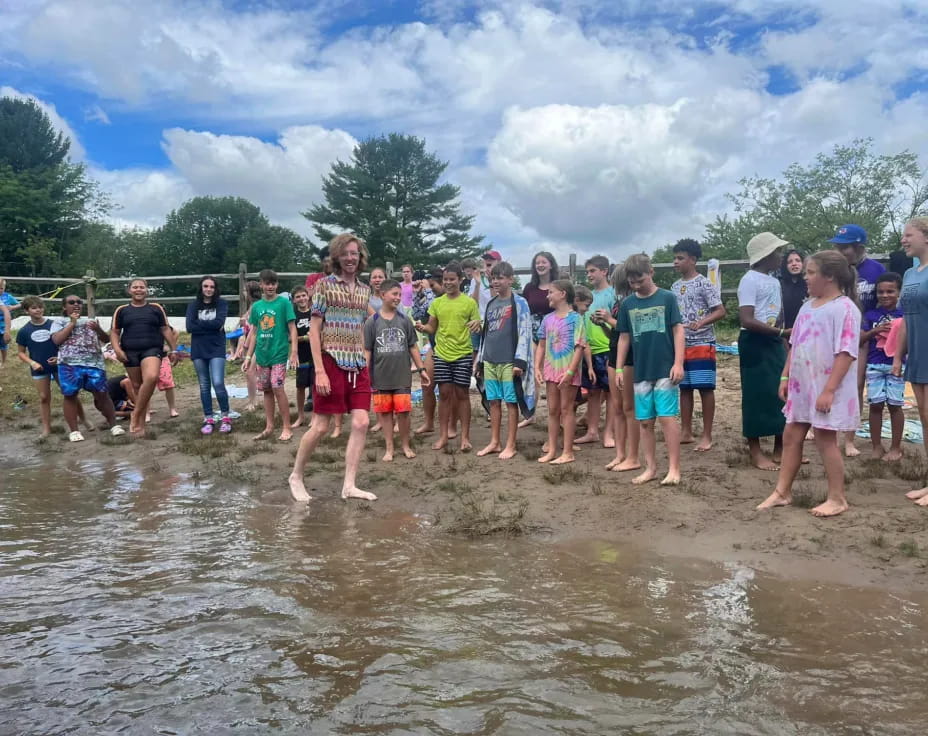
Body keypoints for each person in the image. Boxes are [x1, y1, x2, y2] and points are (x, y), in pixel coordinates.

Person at [757, 251, 861, 517]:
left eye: (811, 272)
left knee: (826, 439)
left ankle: (837, 498)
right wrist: (785, 376)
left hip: (827, 388)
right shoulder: (806, 307)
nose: (805, 277)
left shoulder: (845, 309)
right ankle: (782, 492)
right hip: (803, 385)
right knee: (791, 435)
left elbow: (846, 353)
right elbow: (795, 345)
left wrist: (829, 390)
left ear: (829, 276)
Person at [289, 233, 377, 503]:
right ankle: (296, 476)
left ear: (360, 257)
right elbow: (314, 331)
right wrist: (319, 371)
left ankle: (349, 485)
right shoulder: (324, 287)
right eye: (346, 253)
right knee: (320, 426)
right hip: (329, 361)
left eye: (355, 253)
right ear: (336, 257)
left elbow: (365, 323)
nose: (351, 258)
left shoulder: (364, 290)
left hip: (357, 364)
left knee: (361, 421)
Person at [615, 254, 684, 485]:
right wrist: (618, 369)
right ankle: (650, 468)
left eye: (640, 279)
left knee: (666, 417)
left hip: (665, 368)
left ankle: (674, 469)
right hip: (640, 370)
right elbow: (623, 338)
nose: (636, 285)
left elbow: (678, 331)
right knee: (644, 421)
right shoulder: (627, 304)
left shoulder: (667, 298)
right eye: (632, 282)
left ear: (651, 272)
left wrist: (678, 362)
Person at [415, 262, 481, 452]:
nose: (449, 282)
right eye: (446, 280)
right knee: (444, 394)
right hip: (442, 354)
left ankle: (465, 437)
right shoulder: (437, 303)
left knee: (462, 394)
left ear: (460, 280)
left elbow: (477, 324)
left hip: (462, 354)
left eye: (452, 279)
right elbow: (432, 327)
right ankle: (443, 435)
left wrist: (478, 323)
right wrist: (422, 327)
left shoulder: (469, 303)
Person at [738, 233, 790, 470]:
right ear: (766, 255)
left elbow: (778, 314)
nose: (781, 256)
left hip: (773, 340)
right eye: (777, 252)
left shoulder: (775, 281)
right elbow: (747, 319)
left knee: (781, 389)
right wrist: (779, 333)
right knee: (756, 393)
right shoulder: (749, 280)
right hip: (755, 342)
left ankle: (781, 447)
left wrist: (782, 336)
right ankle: (756, 450)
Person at [831, 224, 884, 458]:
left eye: (846, 248)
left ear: (859, 247)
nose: (841, 252)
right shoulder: (833, 270)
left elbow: (885, 301)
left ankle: (849, 438)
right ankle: (828, 432)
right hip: (834, 332)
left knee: (855, 384)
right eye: (838, 247)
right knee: (829, 381)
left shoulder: (876, 270)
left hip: (862, 336)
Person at [475, 261, 536, 459]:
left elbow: (525, 331)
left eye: (500, 278)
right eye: (493, 278)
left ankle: (511, 444)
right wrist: (480, 360)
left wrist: (520, 361)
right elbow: (486, 333)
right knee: (493, 401)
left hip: (509, 361)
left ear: (510, 280)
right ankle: (494, 441)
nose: (496, 282)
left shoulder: (520, 303)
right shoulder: (492, 304)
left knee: (511, 402)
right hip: (490, 360)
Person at [363, 278, 428, 461]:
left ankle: (406, 445)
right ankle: (389, 448)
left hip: (402, 377)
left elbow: (413, 346)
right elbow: (367, 349)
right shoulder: (371, 322)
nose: (398, 298)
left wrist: (421, 369)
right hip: (380, 377)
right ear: (383, 295)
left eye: (399, 294)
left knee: (403, 413)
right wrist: (364, 373)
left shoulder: (405, 320)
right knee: (384, 413)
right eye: (394, 294)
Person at [671, 238, 726, 452]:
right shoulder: (674, 287)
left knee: (704, 388)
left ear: (692, 260)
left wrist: (701, 323)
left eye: (680, 258)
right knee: (684, 388)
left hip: (703, 342)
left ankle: (707, 434)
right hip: (681, 344)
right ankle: (686, 431)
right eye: (675, 258)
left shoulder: (704, 283)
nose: (676, 262)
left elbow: (720, 310)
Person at [51, 295, 125, 441]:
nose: (76, 304)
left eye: (79, 302)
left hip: (94, 364)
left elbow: (106, 340)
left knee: (102, 393)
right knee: (70, 395)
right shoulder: (58, 322)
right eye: (71, 302)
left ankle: (114, 425)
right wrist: (72, 323)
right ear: (64, 307)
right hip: (69, 365)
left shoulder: (91, 321)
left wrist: (98, 329)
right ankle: (74, 431)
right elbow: (56, 340)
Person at [892, 217, 928, 506]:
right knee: (925, 419)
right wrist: (897, 355)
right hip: (917, 353)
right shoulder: (909, 274)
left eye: (908, 234)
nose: (903, 240)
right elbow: (904, 319)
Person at [110, 278, 176, 436]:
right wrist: (117, 350)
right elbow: (114, 332)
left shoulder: (156, 308)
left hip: (152, 348)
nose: (138, 290)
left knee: (152, 377)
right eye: (135, 287)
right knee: (137, 386)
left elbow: (165, 329)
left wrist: (174, 349)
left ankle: (136, 414)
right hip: (130, 351)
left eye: (142, 287)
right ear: (129, 290)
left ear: (146, 290)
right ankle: (139, 424)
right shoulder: (122, 310)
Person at [241, 269, 297, 442]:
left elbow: (292, 328)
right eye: (267, 283)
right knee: (266, 390)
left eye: (273, 283)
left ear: (277, 284)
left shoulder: (284, 303)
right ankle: (269, 425)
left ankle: (287, 426)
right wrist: (248, 357)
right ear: (261, 285)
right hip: (262, 355)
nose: (270, 286)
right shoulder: (257, 307)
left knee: (277, 387)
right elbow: (254, 333)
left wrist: (293, 351)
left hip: (279, 353)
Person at [535, 279, 584, 465]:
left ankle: (568, 451)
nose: (547, 295)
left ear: (562, 294)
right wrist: (537, 367)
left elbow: (579, 347)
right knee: (553, 410)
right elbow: (541, 344)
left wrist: (571, 372)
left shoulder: (576, 319)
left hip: (568, 371)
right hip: (550, 370)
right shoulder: (547, 319)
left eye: (551, 292)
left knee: (567, 409)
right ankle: (553, 449)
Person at [861, 272, 905, 461]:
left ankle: (895, 448)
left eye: (890, 291)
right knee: (875, 405)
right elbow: (860, 338)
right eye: (881, 292)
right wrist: (875, 331)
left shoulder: (905, 315)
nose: (885, 295)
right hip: (874, 364)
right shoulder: (870, 315)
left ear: (899, 292)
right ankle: (876, 446)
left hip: (897, 365)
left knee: (895, 405)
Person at [575, 256, 616, 447]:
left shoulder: (614, 294)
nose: (589, 275)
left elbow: (617, 322)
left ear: (604, 271)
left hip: (608, 348)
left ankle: (609, 433)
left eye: (592, 271)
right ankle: (592, 431)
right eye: (587, 271)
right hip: (589, 350)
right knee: (592, 392)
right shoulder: (587, 296)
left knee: (610, 394)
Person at [186, 275, 231, 435]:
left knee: (218, 383)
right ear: (201, 288)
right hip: (198, 349)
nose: (209, 289)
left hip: (217, 348)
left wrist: (200, 325)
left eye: (212, 287)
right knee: (204, 385)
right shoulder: (193, 306)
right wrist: (209, 326)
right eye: (206, 286)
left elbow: (219, 323)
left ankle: (225, 416)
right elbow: (189, 327)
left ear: (215, 288)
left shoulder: (222, 304)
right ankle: (208, 418)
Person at [606, 262, 640, 472]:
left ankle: (633, 456)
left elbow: (629, 330)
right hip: (613, 352)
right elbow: (616, 333)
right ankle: (620, 454)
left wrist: (609, 319)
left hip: (629, 357)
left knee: (629, 407)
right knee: (617, 407)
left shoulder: (633, 301)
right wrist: (604, 323)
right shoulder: (618, 302)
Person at [15, 296, 60, 437]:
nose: (38, 310)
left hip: (59, 365)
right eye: (34, 308)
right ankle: (46, 428)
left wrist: (60, 358)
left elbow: (64, 344)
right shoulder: (24, 331)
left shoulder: (54, 325)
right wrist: (32, 363)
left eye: (40, 307)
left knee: (69, 392)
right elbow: (21, 353)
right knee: (43, 397)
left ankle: (83, 420)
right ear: (27, 310)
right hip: (39, 368)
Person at [415, 267, 447, 437]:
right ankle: (428, 422)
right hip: (434, 346)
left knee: (447, 390)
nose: (432, 288)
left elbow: (430, 306)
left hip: (449, 349)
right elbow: (417, 313)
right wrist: (418, 293)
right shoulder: (430, 297)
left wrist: (428, 290)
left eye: (434, 285)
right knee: (426, 384)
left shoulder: (445, 299)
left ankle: (450, 424)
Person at [235, 280, 263, 411]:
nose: (244, 293)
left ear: (251, 292)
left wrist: (244, 346)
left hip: (256, 343)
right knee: (252, 372)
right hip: (251, 341)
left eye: (245, 291)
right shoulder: (253, 305)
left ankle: (252, 401)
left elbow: (253, 329)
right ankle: (254, 399)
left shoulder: (256, 306)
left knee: (250, 372)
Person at [291, 285, 314, 428]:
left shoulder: (315, 313)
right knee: (300, 387)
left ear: (308, 296)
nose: (301, 299)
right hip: (301, 355)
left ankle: (316, 416)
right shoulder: (293, 316)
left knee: (315, 386)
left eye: (303, 295)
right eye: (298, 297)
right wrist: (304, 338)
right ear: (294, 300)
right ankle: (300, 416)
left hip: (315, 355)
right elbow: (290, 337)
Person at [778, 249, 808, 329]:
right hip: (786, 331)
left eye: (798, 260)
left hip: (807, 329)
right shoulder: (779, 285)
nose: (794, 264)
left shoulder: (810, 284)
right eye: (790, 262)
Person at [0, 278, 21, 368]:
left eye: (1, 288)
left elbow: (20, 304)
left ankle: (3, 361)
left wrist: (12, 307)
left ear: (4, 288)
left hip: (3, 326)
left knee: (3, 345)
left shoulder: (8, 297)